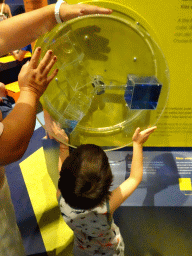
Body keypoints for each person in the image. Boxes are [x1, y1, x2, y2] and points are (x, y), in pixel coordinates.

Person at [0, 2, 112, 255]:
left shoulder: (66, 209)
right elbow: (8, 147)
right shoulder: (105, 211)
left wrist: (56, 13)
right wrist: (30, 92)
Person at [57, 126, 157, 255]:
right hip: (109, 251)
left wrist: (63, 146)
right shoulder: (107, 205)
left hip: (82, 249)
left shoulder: (60, 196)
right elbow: (134, 178)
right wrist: (137, 144)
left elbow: (62, 174)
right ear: (109, 181)